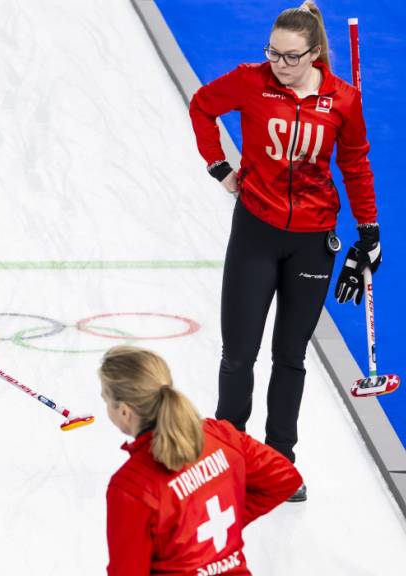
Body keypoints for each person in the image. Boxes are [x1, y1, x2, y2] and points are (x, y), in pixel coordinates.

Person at [188, 1, 380, 501]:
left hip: (314, 241)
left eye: (291, 57)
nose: (280, 64)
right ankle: (228, 456)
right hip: (256, 231)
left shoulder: (342, 99)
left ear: (315, 54)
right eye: (273, 53)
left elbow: (356, 163)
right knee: (239, 353)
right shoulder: (250, 81)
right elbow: (202, 106)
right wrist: (218, 167)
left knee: (290, 356)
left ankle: (277, 462)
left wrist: (369, 230)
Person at [100, 345, 302, 575]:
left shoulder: (131, 487)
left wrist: (191, 536)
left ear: (125, 411)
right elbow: (284, 478)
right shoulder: (219, 435)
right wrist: (215, 525)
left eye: (106, 400)